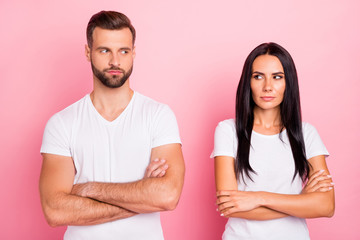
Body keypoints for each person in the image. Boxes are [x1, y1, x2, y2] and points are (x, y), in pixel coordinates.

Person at [39, 11, 185, 240]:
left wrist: (88, 189)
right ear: (88, 52)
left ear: (133, 53)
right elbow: (55, 211)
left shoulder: (158, 115)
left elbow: (167, 196)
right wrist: (142, 198)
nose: (115, 61)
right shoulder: (62, 124)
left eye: (123, 51)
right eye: (104, 50)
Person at [212, 42, 335, 240]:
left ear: (289, 83)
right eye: (258, 76)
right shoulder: (228, 131)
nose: (268, 86)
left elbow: (327, 206)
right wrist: (301, 202)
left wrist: (259, 198)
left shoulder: (306, 134)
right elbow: (230, 206)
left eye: (277, 77)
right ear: (248, 82)